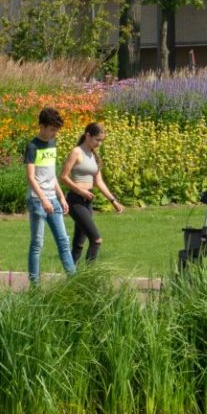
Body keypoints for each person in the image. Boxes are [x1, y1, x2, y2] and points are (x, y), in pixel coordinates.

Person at [23, 106, 76, 284]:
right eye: (52, 129)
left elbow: (51, 175)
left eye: (56, 130)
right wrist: (44, 199)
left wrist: (60, 197)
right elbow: (31, 177)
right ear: (42, 126)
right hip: (37, 201)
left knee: (63, 241)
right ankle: (35, 286)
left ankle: (74, 280)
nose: (54, 133)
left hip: (52, 198)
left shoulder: (52, 143)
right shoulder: (32, 146)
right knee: (37, 244)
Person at [60, 121, 124, 264]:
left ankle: (71, 277)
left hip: (88, 201)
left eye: (102, 140)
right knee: (96, 240)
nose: (99, 143)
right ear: (88, 136)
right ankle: (89, 276)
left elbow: (99, 182)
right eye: (97, 140)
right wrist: (80, 191)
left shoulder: (93, 155)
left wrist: (113, 201)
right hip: (76, 201)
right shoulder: (77, 152)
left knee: (79, 244)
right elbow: (63, 177)